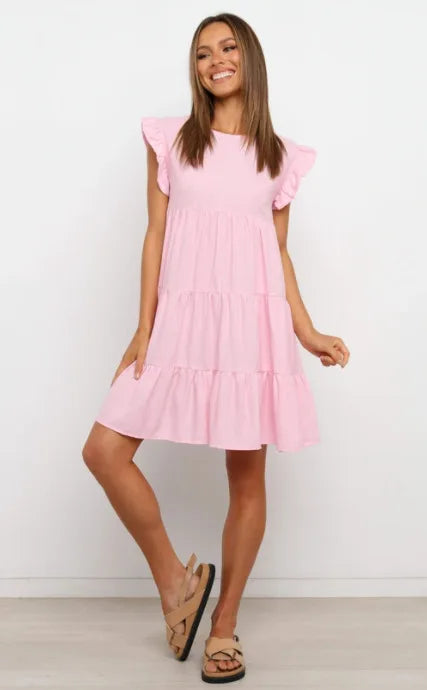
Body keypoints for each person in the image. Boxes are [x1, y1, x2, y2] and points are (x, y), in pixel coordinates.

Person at [82, 12, 350, 684]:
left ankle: (223, 627)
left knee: (247, 478)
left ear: (249, 58)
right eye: (202, 53)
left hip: (250, 326)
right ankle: (177, 586)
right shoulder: (171, 140)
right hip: (179, 319)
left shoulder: (279, 156)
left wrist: (307, 332)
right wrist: (143, 329)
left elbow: (277, 253)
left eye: (228, 48)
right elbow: (154, 236)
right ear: (195, 69)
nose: (215, 61)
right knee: (104, 452)